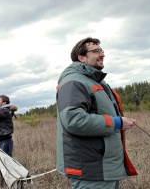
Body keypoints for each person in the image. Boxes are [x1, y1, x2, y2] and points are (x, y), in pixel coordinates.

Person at [56, 37, 138, 189]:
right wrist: (117, 123)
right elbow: (74, 120)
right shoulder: (74, 81)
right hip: (91, 169)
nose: (102, 54)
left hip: (103, 166)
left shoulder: (95, 81)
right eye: (96, 51)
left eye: (102, 50)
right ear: (81, 57)